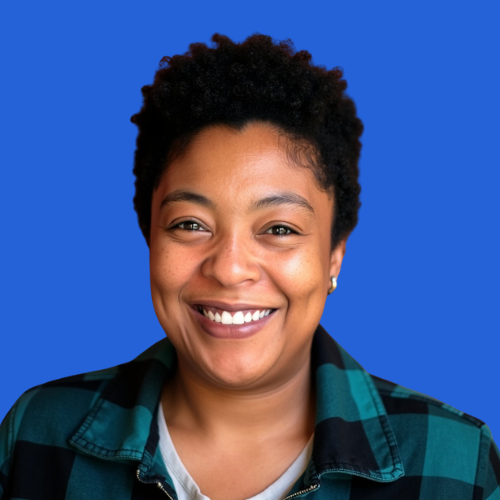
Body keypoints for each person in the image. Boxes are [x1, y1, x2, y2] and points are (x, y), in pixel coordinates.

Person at [0, 33, 498, 500]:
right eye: (190, 224)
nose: (230, 268)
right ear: (150, 238)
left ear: (334, 256)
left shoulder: (455, 462)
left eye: (279, 229)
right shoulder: (36, 435)